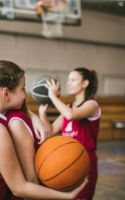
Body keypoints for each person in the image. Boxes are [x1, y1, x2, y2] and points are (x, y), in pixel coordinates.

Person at [0, 60, 88, 200]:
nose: (26, 94)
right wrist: (66, 196)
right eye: (23, 88)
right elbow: (19, 188)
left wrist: (33, 116)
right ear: (5, 93)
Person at [39, 67, 100, 200]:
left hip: (84, 160)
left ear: (85, 83)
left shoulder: (92, 105)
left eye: (73, 80)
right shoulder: (69, 107)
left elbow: (71, 115)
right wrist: (43, 113)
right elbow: (50, 132)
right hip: (65, 159)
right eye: (68, 80)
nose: (68, 83)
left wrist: (52, 96)